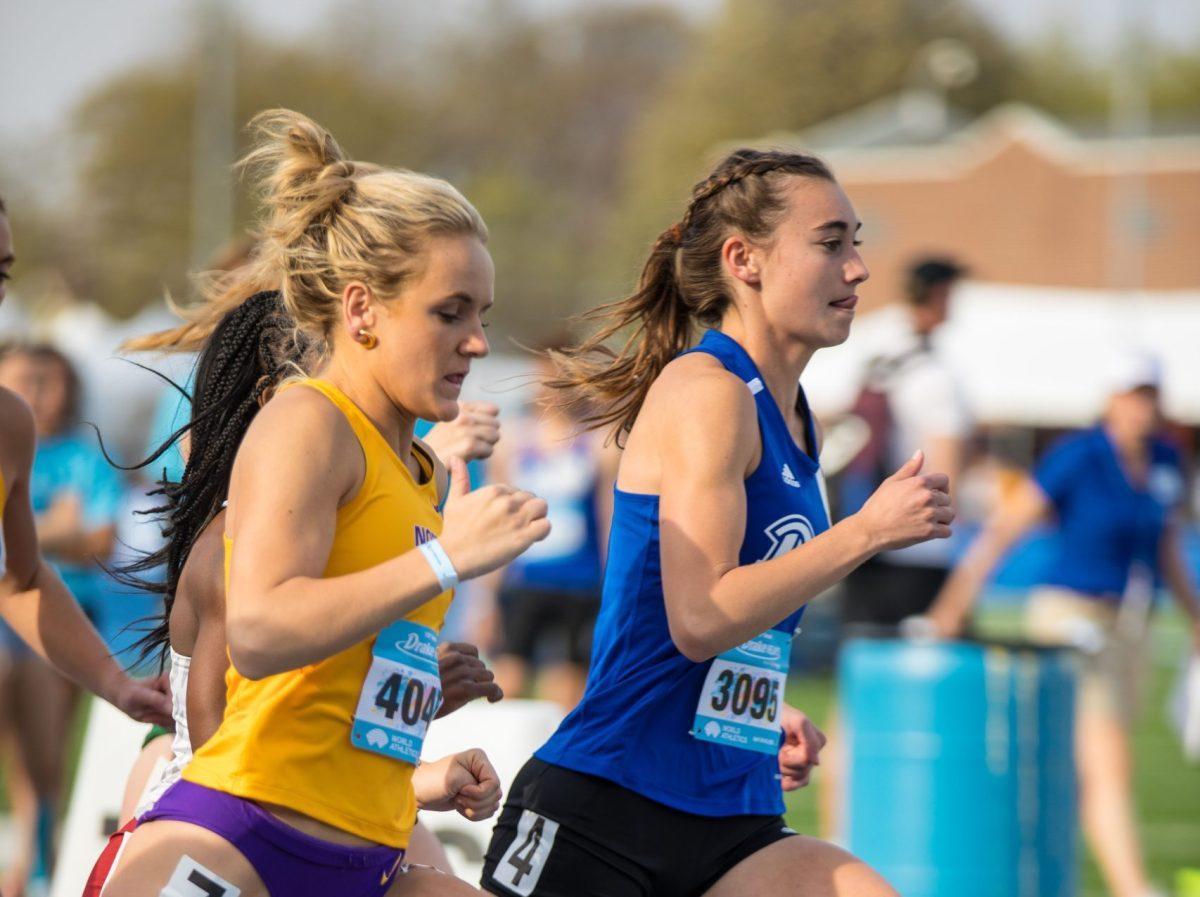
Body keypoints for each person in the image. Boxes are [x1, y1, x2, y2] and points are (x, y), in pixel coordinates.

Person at [98, 109, 549, 897]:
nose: (478, 341)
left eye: (483, 316)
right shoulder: (308, 420)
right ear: (361, 310)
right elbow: (264, 630)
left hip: (371, 857)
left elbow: (322, 684)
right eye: (451, 312)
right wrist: (445, 557)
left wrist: (411, 700)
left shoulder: (423, 472)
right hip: (243, 836)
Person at [481, 149, 954, 897]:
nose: (859, 268)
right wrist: (866, 530)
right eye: (831, 243)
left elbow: (733, 632)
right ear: (745, 259)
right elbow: (700, 616)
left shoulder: (798, 420)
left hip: (732, 817)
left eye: (856, 242)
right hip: (608, 813)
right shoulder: (709, 392)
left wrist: (758, 712)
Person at [86, 291, 507, 893]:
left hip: (340, 833)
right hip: (219, 833)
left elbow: (327, 722)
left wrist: (416, 698)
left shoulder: (379, 517)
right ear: (277, 405)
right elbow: (229, 752)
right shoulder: (236, 544)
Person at [925, 352, 1200, 897]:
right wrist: (953, 604)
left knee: (1087, 763)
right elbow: (1007, 529)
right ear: (1110, 399)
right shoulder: (1079, 455)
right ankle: (1133, 888)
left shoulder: (1167, 459)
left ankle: (1040, 870)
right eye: (1132, 394)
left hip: (1131, 622)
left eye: (1148, 394)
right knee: (1106, 755)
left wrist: (1196, 619)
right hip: (1070, 619)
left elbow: (1166, 547)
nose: (1141, 406)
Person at [0, 198, 171, 897]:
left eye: (3, 271)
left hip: (32, 651)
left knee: (44, 771)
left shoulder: (9, 422)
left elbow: (19, 579)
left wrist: (115, 681)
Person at [484, 348, 618, 711]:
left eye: (561, 378)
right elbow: (499, 520)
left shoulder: (598, 442)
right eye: (545, 378)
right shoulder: (513, 441)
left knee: (567, 691)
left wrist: (612, 583)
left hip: (580, 582)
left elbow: (608, 516)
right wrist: (489, 597)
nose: (552, 389)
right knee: (506, 682)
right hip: (526, 580)